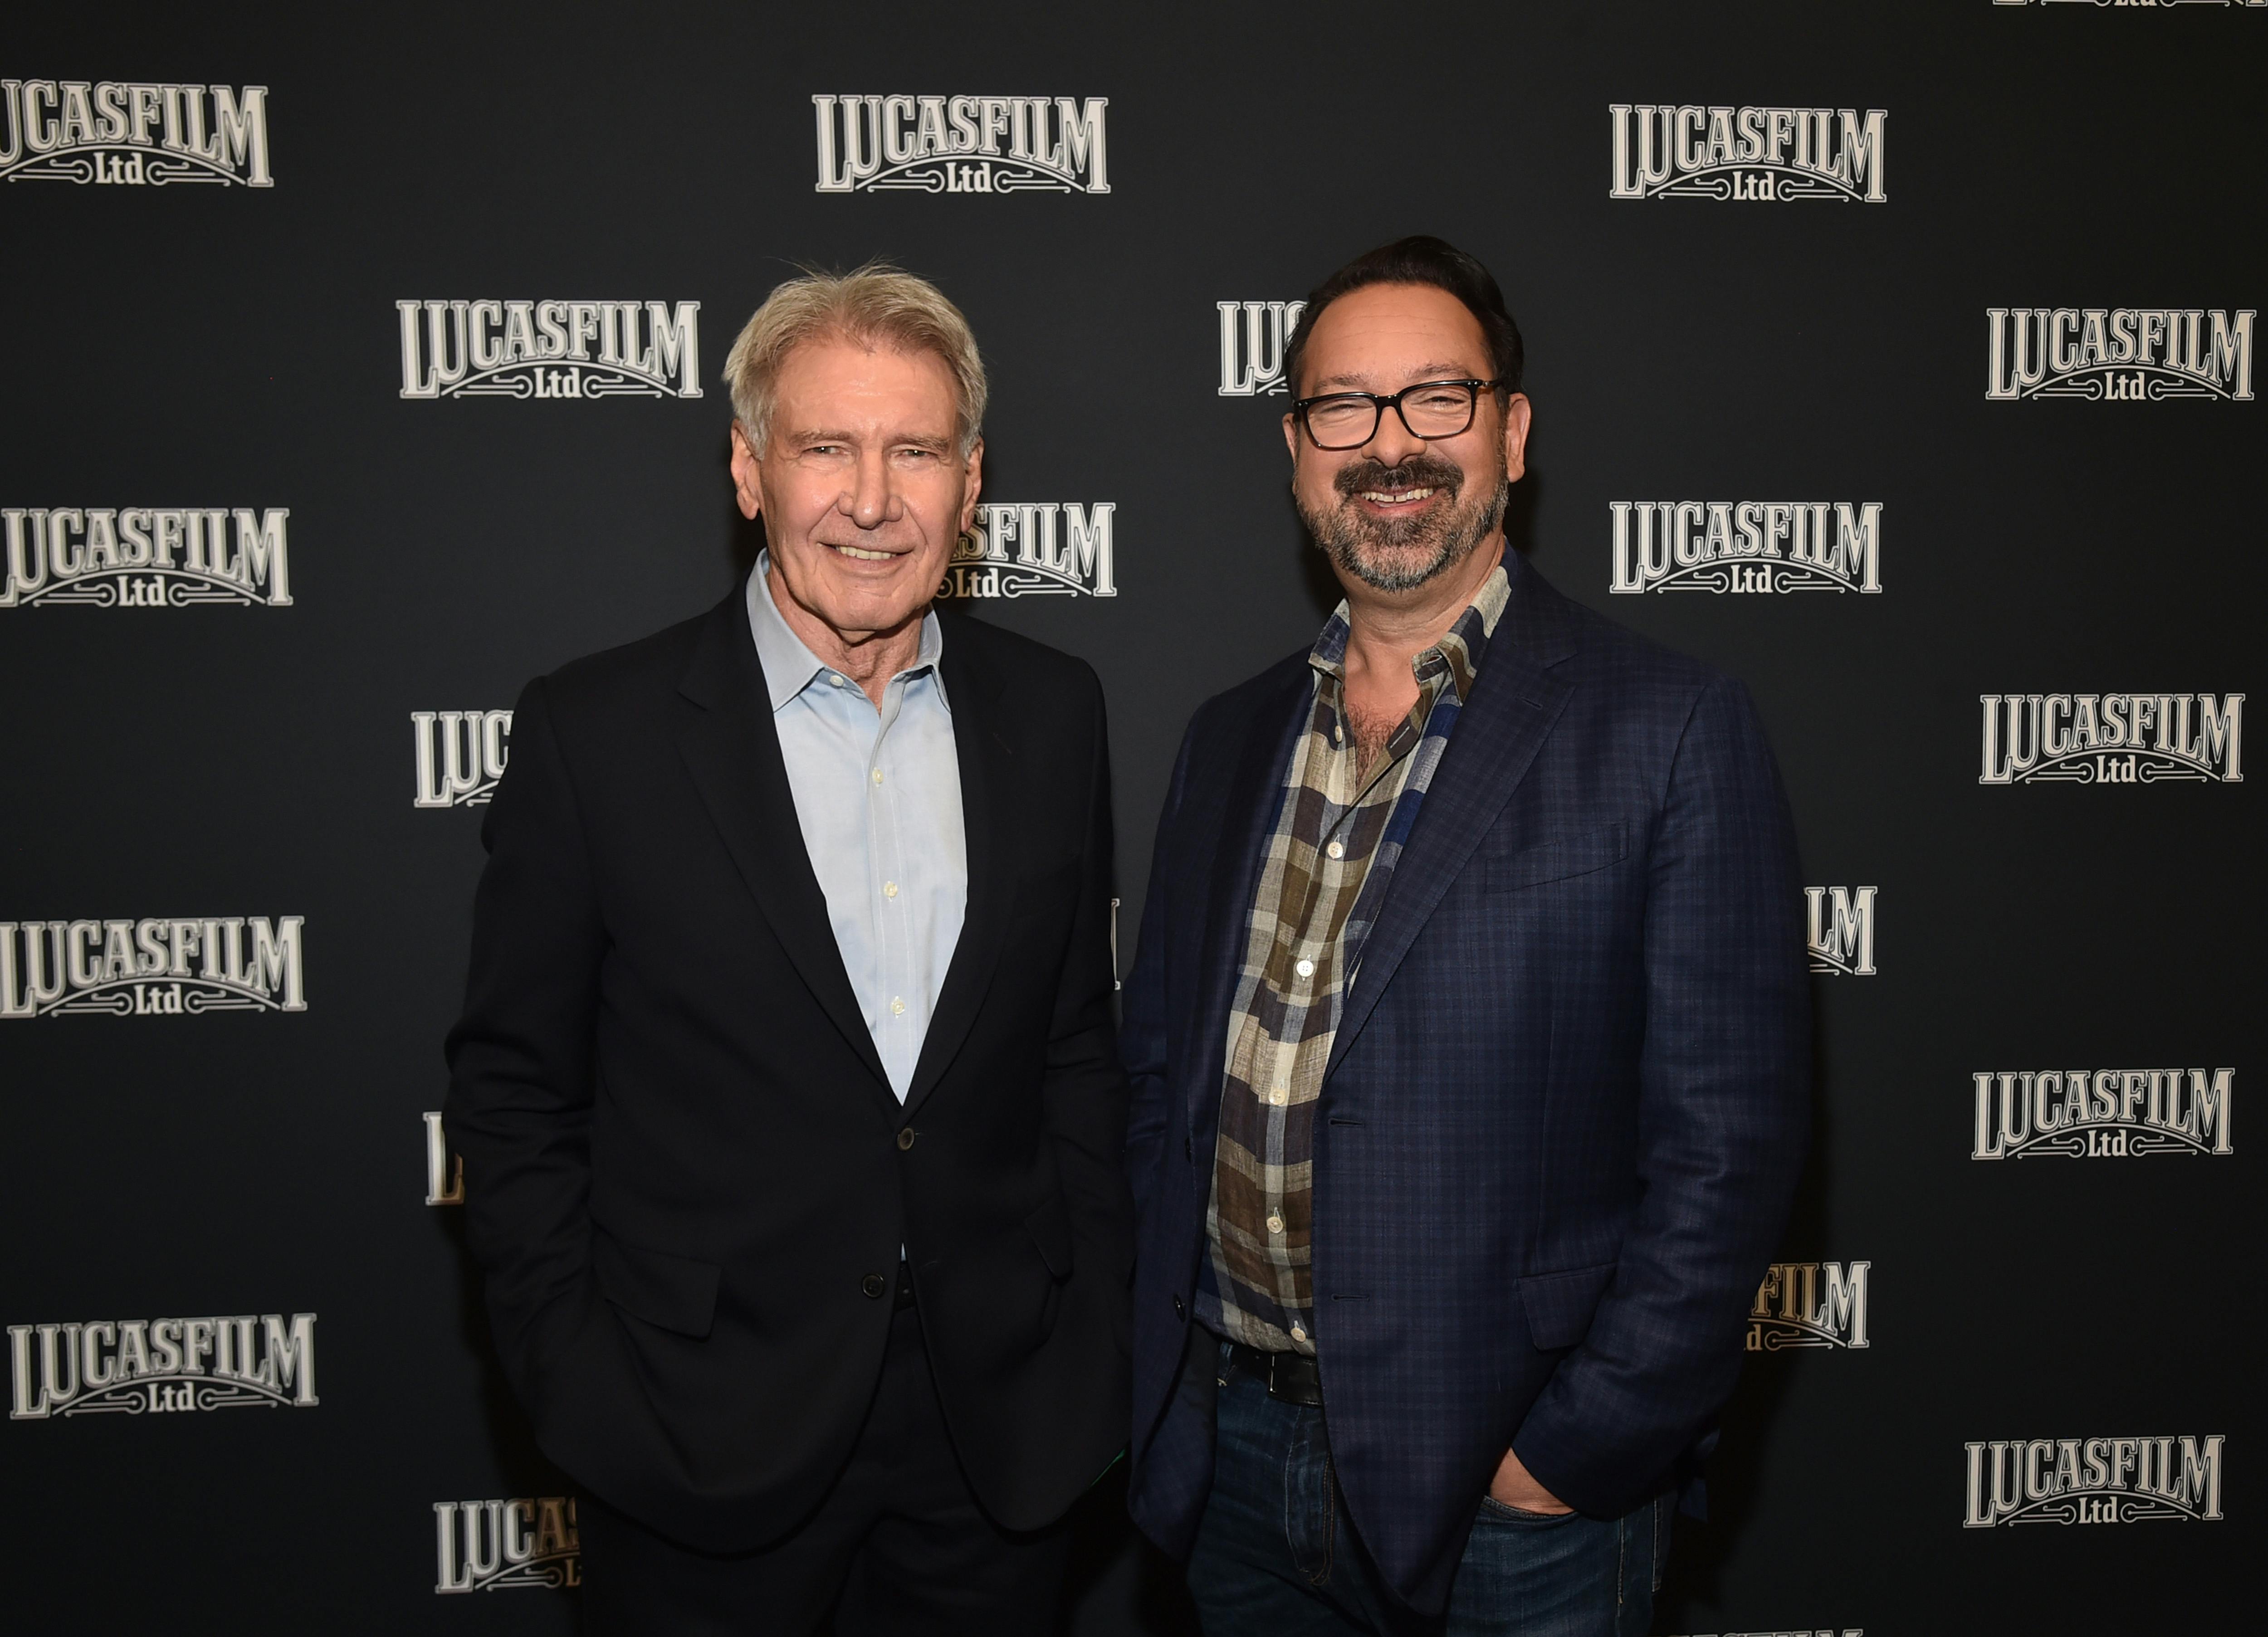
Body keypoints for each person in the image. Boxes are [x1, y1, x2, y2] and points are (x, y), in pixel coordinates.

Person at [1121, 236, 1811, 1636]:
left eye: (1438, 397)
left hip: (1514, 1498)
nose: (1391, 446)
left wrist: (1572, 1454)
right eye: (1343, 406)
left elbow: (1729, 1148)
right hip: (1231, 1460)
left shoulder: (1670, 729)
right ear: (1297, 451)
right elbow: (1157, 1084)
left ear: (1513, 431)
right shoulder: (1229, 736)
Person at [445, 264, 1132, 1635]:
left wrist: (1091, 1341)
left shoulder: (1055, 714)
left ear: (972, 482)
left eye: (915, 451)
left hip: (995, 1446)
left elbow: (1073, 1052)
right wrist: (581, 1385)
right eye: (826, 447)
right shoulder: (598, 734)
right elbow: (516, 1093)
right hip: (696, 1444)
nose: (872, 499)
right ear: (749, 469)